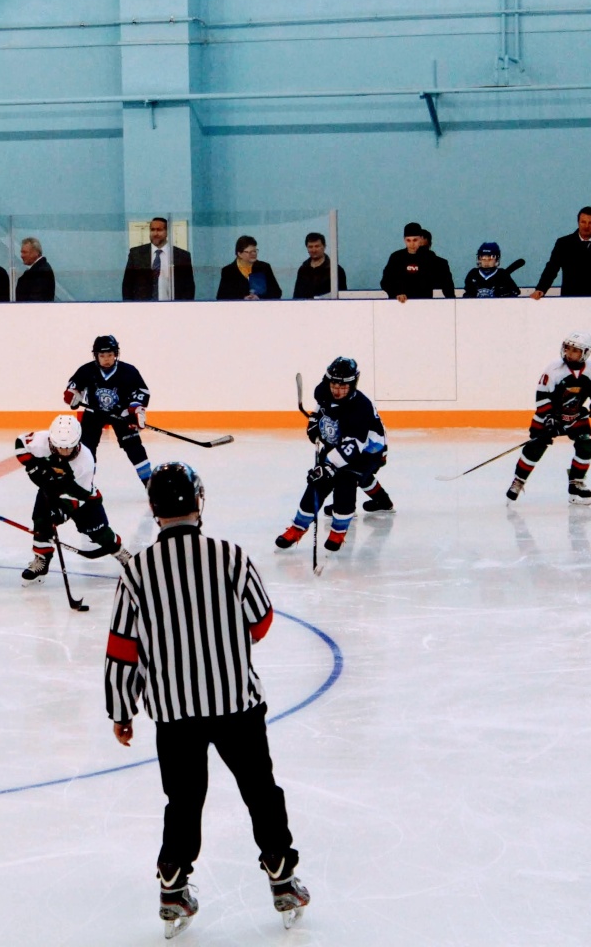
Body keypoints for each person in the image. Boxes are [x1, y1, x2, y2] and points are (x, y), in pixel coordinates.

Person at [105, 462, 309, 938]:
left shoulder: (136, 571)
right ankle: (281, 872)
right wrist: (225, 646)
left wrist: (122, 709)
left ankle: (174, 883)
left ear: (154, 509)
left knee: (183, 799)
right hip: (236, 702)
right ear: (199, 502)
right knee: (261, 789)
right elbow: (260, 621)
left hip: (173, 712)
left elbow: (122, 648)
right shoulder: (230, 557)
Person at [275, 357, 392, 572]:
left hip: (367, 451)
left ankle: (338, 532)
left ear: (353, 384)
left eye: (343, 386)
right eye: (334, 385)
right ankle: (298, 527)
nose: (337, 390)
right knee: (317, 482)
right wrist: (314, 423)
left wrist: (330, 466)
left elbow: (353, 446)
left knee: (346, 481)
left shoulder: (361, 408)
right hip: (338, 443)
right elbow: (321, 411)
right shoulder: (323, 391)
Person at [14, 413, 131, 584]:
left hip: (82, 496)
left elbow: (80, 494)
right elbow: (20, 443)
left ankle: (120, 552)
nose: (65, 451)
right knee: (41, 521)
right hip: (50, 489)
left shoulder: (86, 460)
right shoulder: (41, 440)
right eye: (60, 447)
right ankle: (42, 559)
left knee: (97, 531)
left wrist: (62, 511)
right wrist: (32, 466)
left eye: (69, 447)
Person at [506, 331, 591, 505]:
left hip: (575, 416)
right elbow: (541, 396)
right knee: (535, 447)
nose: (569, 353)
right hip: (549, 416)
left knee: (586, 446)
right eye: (568, 348)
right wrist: (550, 419)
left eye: (575, 350)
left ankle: (576, 483)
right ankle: (518, 480)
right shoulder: (554, 369)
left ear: (585, 353)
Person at [64, 334, 153, 486]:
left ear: (116, 354)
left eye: (110, 355)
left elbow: (141, 391)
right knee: (86, 450)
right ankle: (85, 484)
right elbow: (73, 385)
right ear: (96, 356)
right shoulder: (87, 370)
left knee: (134, 448)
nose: (106, 358)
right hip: (94, 414)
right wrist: (74, 395)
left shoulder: (128, 371)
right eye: (102, 355)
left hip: (121, 415)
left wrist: (135, 409)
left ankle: (150, 484)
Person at [531, 207, 591, 299]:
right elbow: (551, 268)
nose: (586, 226)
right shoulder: (564, 243)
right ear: (578, 223)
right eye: (583, 222)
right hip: (569, 299)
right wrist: (541, 289)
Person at [122, 217, 195, 301]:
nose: (155, 233)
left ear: (167, 232)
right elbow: (127, 285)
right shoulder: (136, 254)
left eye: (159, 230)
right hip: (142, 309)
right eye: (152, 230)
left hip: (172, 309)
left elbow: (189, 288)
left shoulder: (182, 256)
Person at [380, 222, 453, 301]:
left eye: (415, 240)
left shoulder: (430, 258)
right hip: (400, 304)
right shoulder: (396, 258)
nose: (412, 244)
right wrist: (396, 293)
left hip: (424, 304)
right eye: (408, 240)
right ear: (404, 240)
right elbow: (385, 281)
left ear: (420, 239)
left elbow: (446, 283)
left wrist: (452, 301)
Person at [216, 235, 283, 300]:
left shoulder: (264, 267)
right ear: (239, 254)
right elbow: (221, 296)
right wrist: (242, 299)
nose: (253, 254)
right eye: (249, 252)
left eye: (254, 251)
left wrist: (259, 298)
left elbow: (277, 292)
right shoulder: (228, 271)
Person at [291, 231, 347, 299]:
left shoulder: (336, 270)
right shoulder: (303, 270)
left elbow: (342, 297)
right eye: (310, 247)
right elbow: (296, 296)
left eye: (317, 246)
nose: (314, 250)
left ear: (324, 247)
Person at [15, 236, 55, 302]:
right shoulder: (38, 270)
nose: (21, 255)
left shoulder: (42, 272)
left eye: (24, 252)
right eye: (21, 252)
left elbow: (36, 300)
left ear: (36, 253)